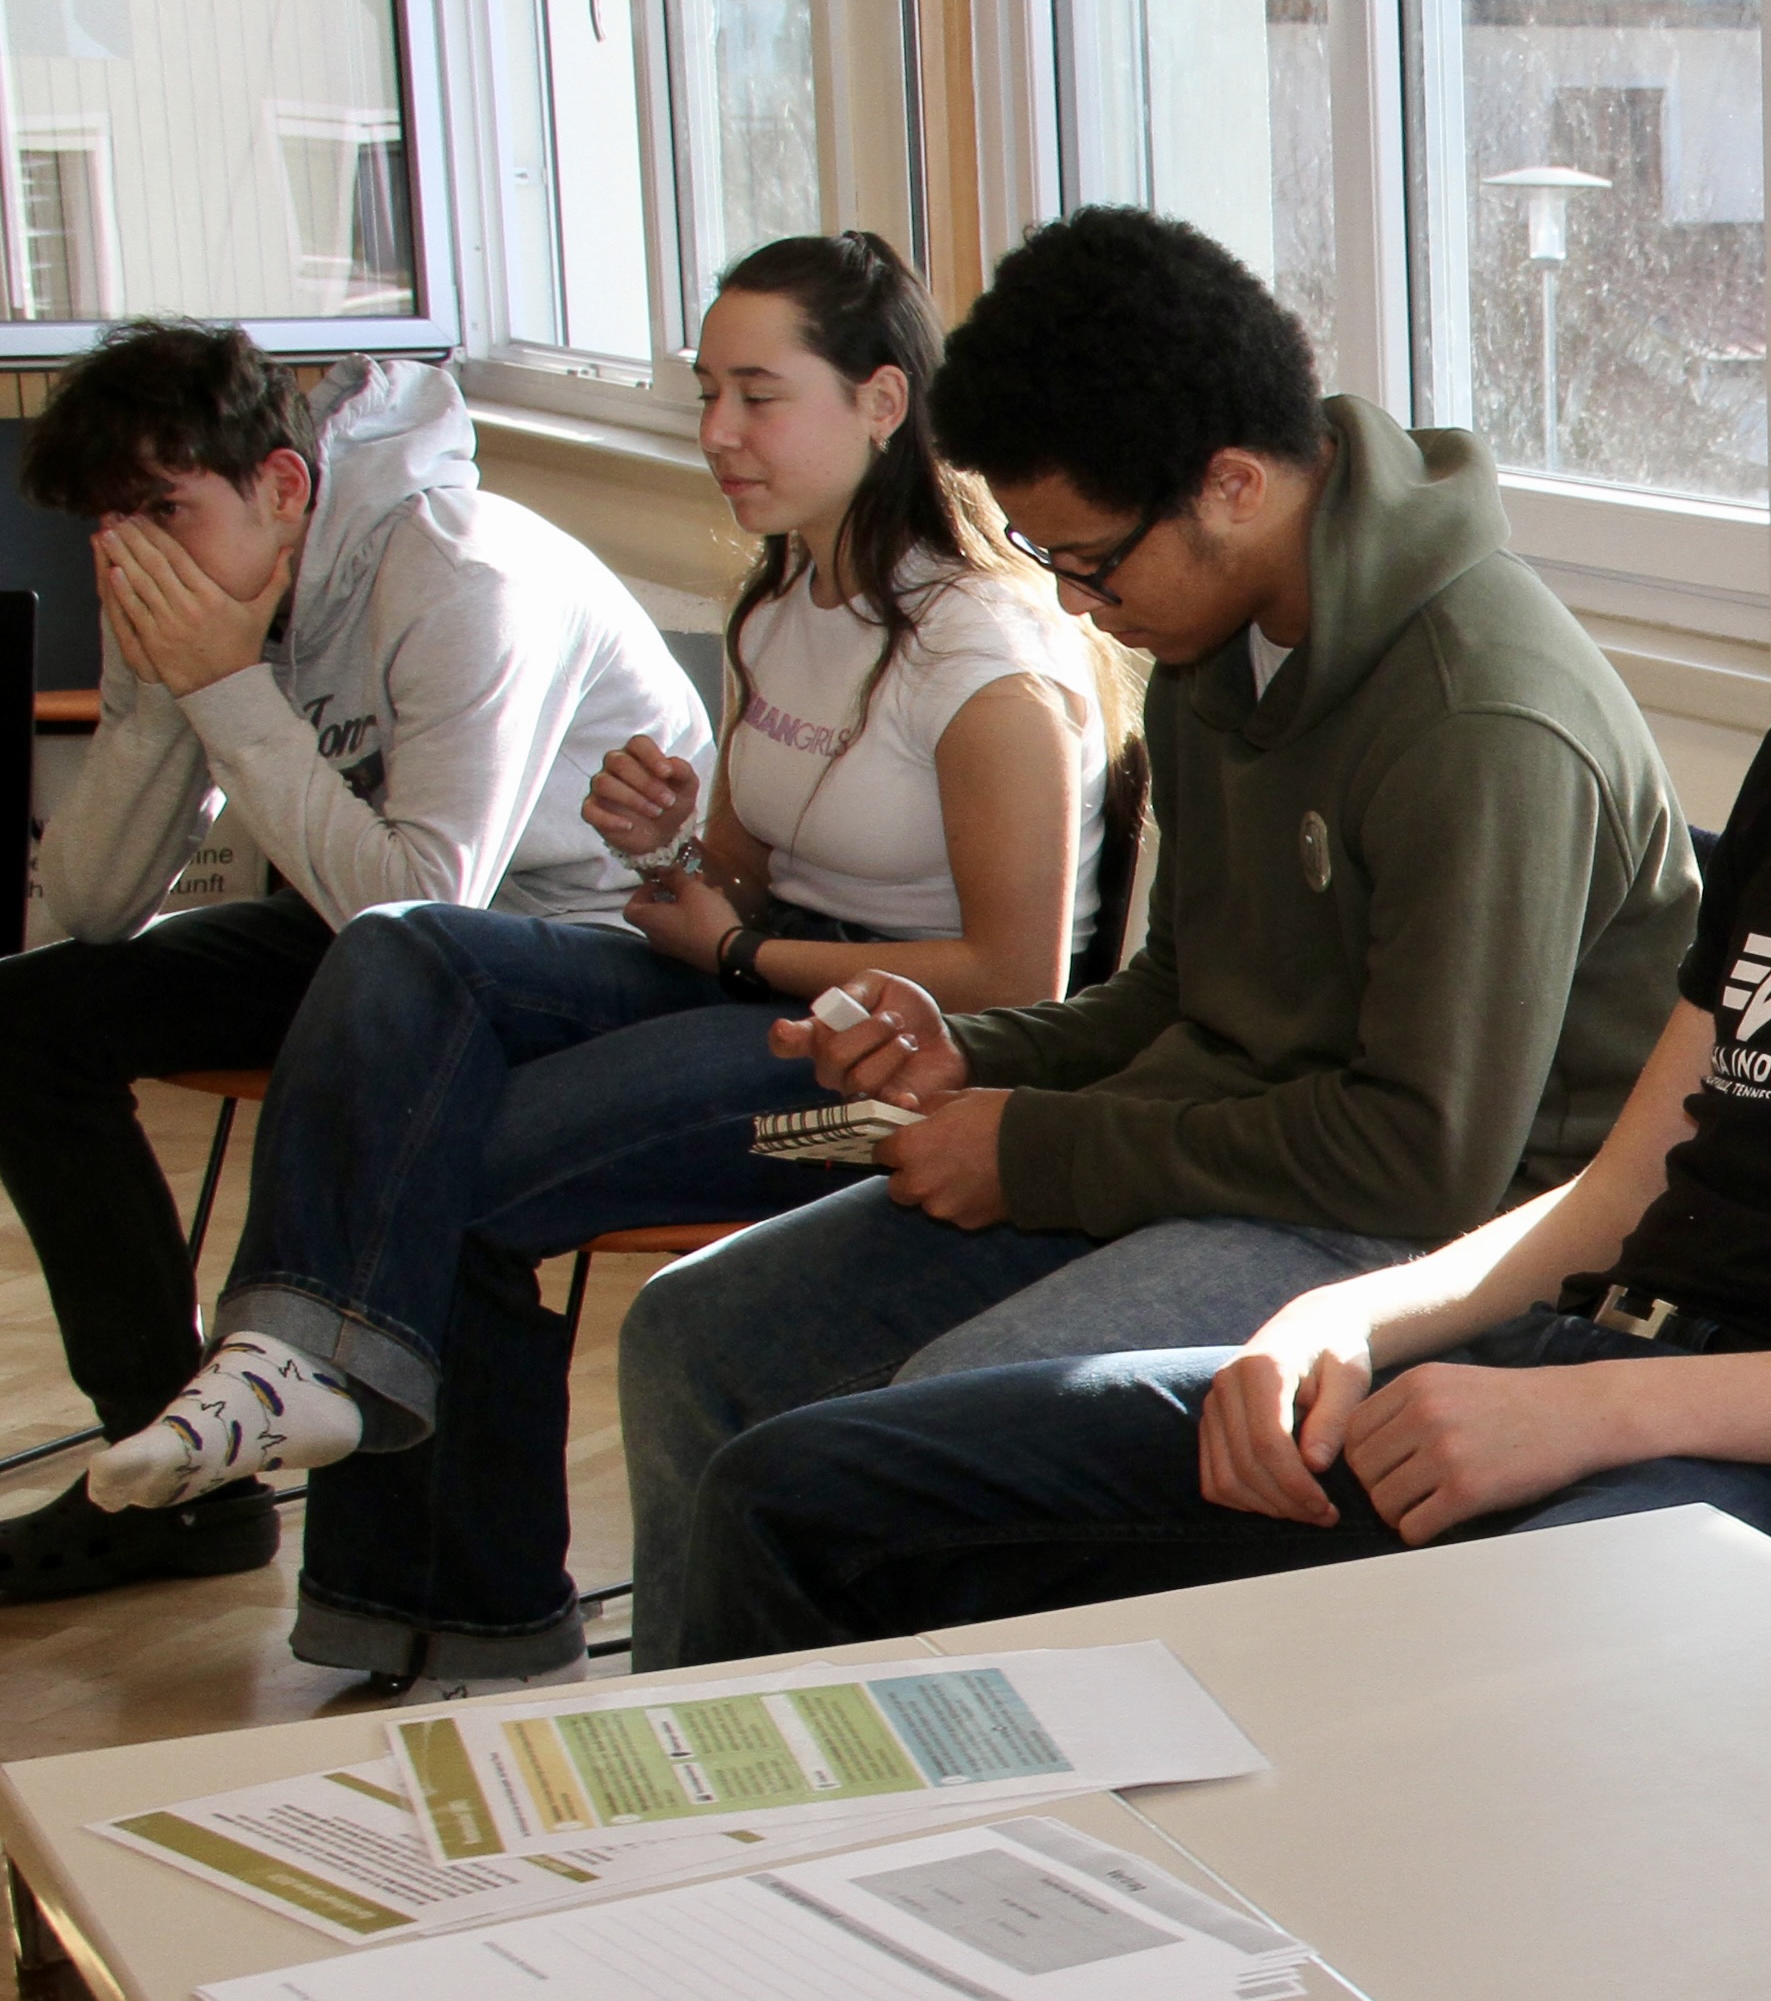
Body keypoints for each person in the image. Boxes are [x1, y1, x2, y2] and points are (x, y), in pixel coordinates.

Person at [661, 213, 1771, 1662]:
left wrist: (1597, 1411)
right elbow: (1619, 1190)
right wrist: (1347, 1324)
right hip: (1597, 1366)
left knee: (1429, 1677)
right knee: (809, 1496)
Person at [609, 206, 1697, 1661]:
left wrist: (1036, 1151)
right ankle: (703, 1764)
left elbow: (1422, 1158)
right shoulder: (1209, 630)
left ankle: (919, 1777)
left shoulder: (1481, 718)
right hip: (1236, 1156)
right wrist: (977, 1055)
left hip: (1447, 1237)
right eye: (1045, 555)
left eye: (1092, 562)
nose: (1075, 603)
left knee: (922, 1444)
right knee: (694, 1332)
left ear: (1230, 485)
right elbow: (1182, 992)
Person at [76, 233, 1109, 1685]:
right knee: (402, 948)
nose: (717, 433)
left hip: (899, 1059)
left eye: (758, 397)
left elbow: (1018, 984)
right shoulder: (783, 598)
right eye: (707, 393)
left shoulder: (982, 653)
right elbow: (742, 870)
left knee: (457, 1161)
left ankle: (471, 1618)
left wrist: (740, 937)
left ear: (881, 404)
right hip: (757, 979)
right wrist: (674, 843)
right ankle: (296, 1364)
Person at [0, 328, 701, 1603]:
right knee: (26, 1019)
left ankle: (311, 1419)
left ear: (282, 485)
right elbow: (91, 909)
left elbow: (426, 917)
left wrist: (226, 687)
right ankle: (176, 1479)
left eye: (164, 511)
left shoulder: (461, 576)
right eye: (110, 525)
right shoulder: (190, 590)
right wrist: (171, 694)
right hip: (376, 932)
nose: (133, 555)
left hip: (588, 950)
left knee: (382, 982)